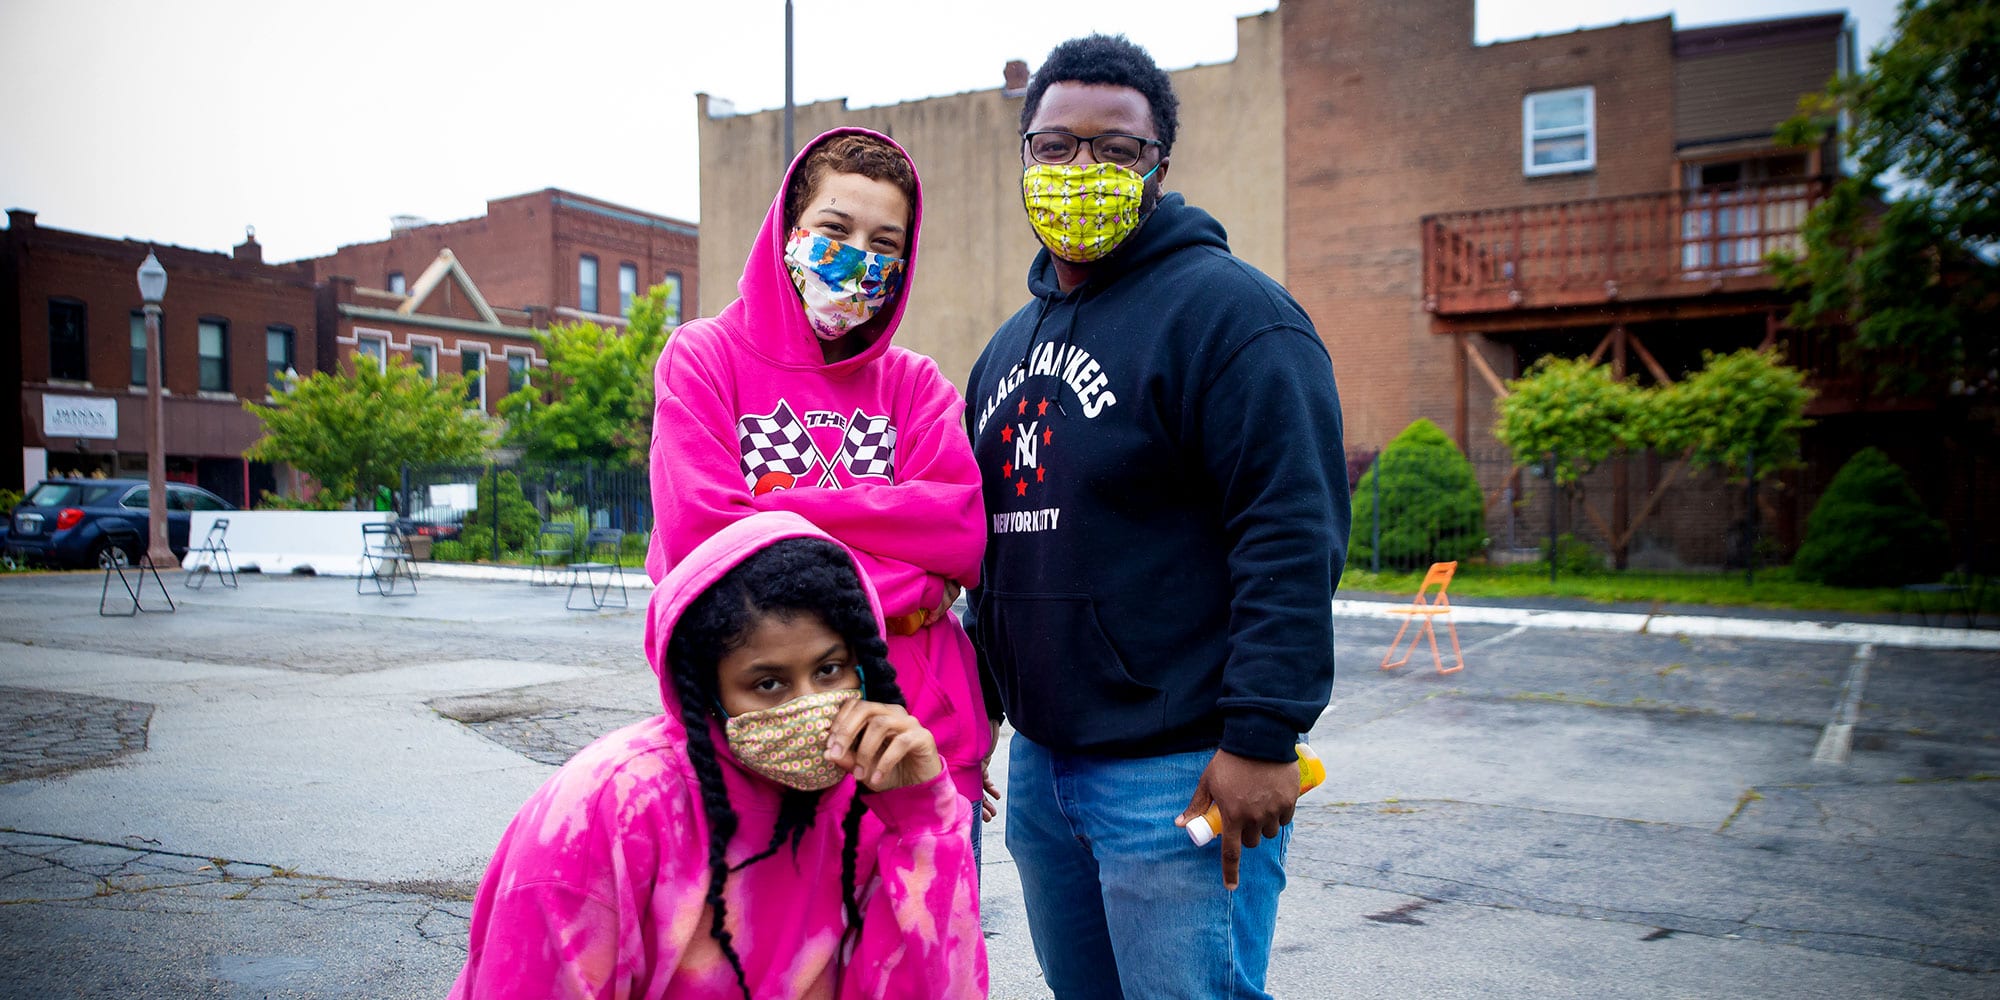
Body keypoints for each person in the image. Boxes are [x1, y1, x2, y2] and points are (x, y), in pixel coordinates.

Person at [963, 34, 1349, 1000]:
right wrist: (973, 717)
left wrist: (1262, 735)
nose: (1080, 169)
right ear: (1024, 159)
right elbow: (992, 559)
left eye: (1114, 148)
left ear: (1159, 166)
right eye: (1055, 147)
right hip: (1044, 772)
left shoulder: (1234, 318)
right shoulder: (1005, 351)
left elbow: (1290, 535)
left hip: (1178, 774)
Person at [452, 511, 987, 999]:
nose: (812, 706)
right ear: (708, 693)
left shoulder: (876, 793)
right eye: (769, 683)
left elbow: (943, 987)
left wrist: (922, 819)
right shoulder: (603, 811)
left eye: (829, 670)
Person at [645, 127, 995, 849]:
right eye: (836, 229)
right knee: (780, 960)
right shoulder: (704, 359)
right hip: (763, 739)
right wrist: (911, 580)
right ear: (789, 232)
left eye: (885, 243)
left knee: (930, 953)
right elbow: (703, 548)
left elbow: (958, 531)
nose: (859, 257)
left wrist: (772, 514)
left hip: (920, 737)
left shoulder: (916, 384)